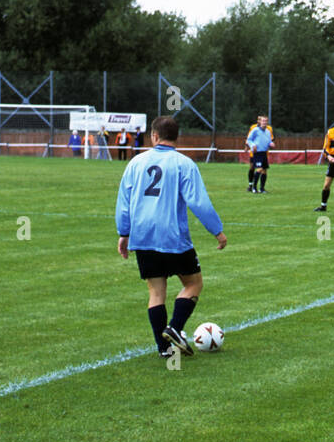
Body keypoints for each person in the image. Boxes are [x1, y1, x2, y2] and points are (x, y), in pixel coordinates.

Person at [116, 115, 227, 359]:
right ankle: (175, 328)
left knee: (156, 293)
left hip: (143, 235)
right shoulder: (184, 164)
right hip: (172, 236)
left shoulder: (135, 162)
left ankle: (164, 348)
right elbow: (198, 202)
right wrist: (217, 230)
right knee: (193, 283)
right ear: (177, 137)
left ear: (154, 136)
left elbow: (123, 203)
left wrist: (123, 234)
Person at [245, 114, 275, 194]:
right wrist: (252, 145)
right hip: (257, 153)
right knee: (259, 169)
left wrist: (271, 144)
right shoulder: (255, 130)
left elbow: (269, 141)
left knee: (264, 171)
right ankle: (254, 188)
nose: (264, 122)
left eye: (266, 121)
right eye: (263, 121)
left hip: (264, 153)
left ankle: (262, 189)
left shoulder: (268, 131)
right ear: (259, 122)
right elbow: (249, 140)